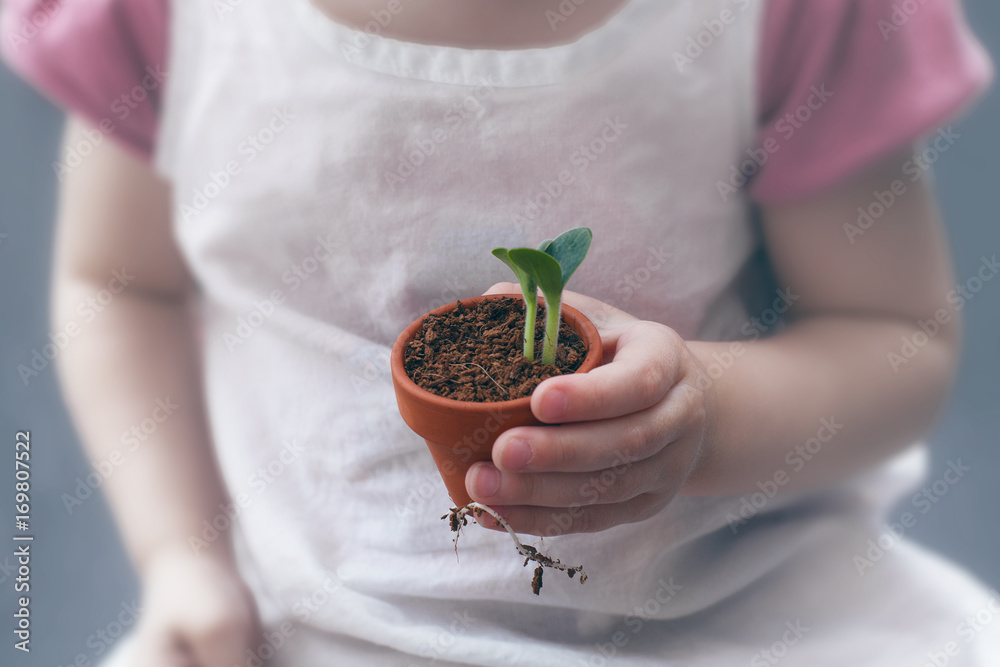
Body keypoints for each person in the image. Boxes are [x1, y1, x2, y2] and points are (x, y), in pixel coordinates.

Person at [3, 0, 998, 664]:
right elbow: (120, 282)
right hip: (312, 620)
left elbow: (890, 331)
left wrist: (702, 411)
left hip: (741, 612)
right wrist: (183, 557)